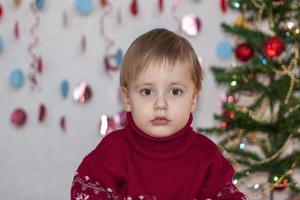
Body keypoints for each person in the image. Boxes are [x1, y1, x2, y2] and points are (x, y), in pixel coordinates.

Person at [71, 28, 247, 200]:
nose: (161, 104)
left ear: (193, 99)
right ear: (127, 99)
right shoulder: (113, 151)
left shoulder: (206, 155)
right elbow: (85, 191)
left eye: (175, 92)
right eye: (147, 92)